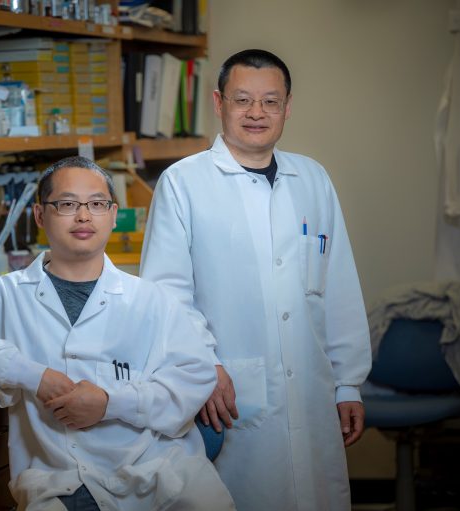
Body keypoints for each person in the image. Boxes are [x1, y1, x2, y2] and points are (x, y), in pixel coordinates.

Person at [0, 156, 235, 511]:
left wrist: (110, 404)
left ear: (114, 214)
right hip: (59, 482)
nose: (84, 216)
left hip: (160, 474)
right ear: (41, 216)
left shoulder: (151, 299)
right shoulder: (8, 295)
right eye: (67, 204)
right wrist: (34, 375)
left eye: (97, 204)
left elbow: (194, 377)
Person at [140, 49, 373, 510]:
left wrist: (348, 383)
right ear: (218, 102)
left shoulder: (313, 178)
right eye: (242, 99)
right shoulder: (183, 183)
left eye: (270, 101)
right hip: (225, 392)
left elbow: (339, 285)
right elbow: (166, 293)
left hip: (312, 389)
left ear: (287, 107)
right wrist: (203, 365)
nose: (256, 113)